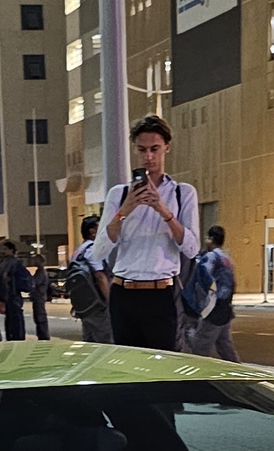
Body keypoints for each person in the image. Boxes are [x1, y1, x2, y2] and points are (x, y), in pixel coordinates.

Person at [93, 113, 197, 350]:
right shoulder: (118, 195)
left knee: (162, 369)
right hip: (123, 292)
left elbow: (191, 248)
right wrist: (125, 209)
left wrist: (163, 209)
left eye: (154, 149)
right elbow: (98, 251)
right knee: (126, 369)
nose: (148, 156)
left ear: (166, 148)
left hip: (161, 293)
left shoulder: (182, 193)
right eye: (142, 150)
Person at [182, 224, 237, 360]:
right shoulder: (227, 259)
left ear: (211, 239)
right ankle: (238, 376)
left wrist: (199, 305)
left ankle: (199, 379)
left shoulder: (210, 258)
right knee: (225, 347)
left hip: (213, 310)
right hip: (225, 309)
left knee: (198, 347)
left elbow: (203, 281)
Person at [63, 218, 112, 343]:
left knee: (90, 341)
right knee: (106, 341)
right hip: (98, 305)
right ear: (92, 231)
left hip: (85, 306)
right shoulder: (93, 249)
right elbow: (100, 276)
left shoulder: (79, 250)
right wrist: (110, 302)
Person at [0, 240, 31, 340]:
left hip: (12, 294)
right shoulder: (13, 263)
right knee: (14, 319)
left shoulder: (11, 264)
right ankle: (16, 337)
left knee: (13, 319)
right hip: (12, 295)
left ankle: (14, 338)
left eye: (6, 249)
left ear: (11, 250)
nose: (4, 252)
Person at [29, 244, 52, 341]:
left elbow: (34, 283)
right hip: (39, 297)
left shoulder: (41, 272)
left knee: (40, 317)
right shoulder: (40, 271)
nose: (34, 261)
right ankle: (42, 335)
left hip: (39, 297)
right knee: (38, 317)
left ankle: (43, 336)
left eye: (36, 260)